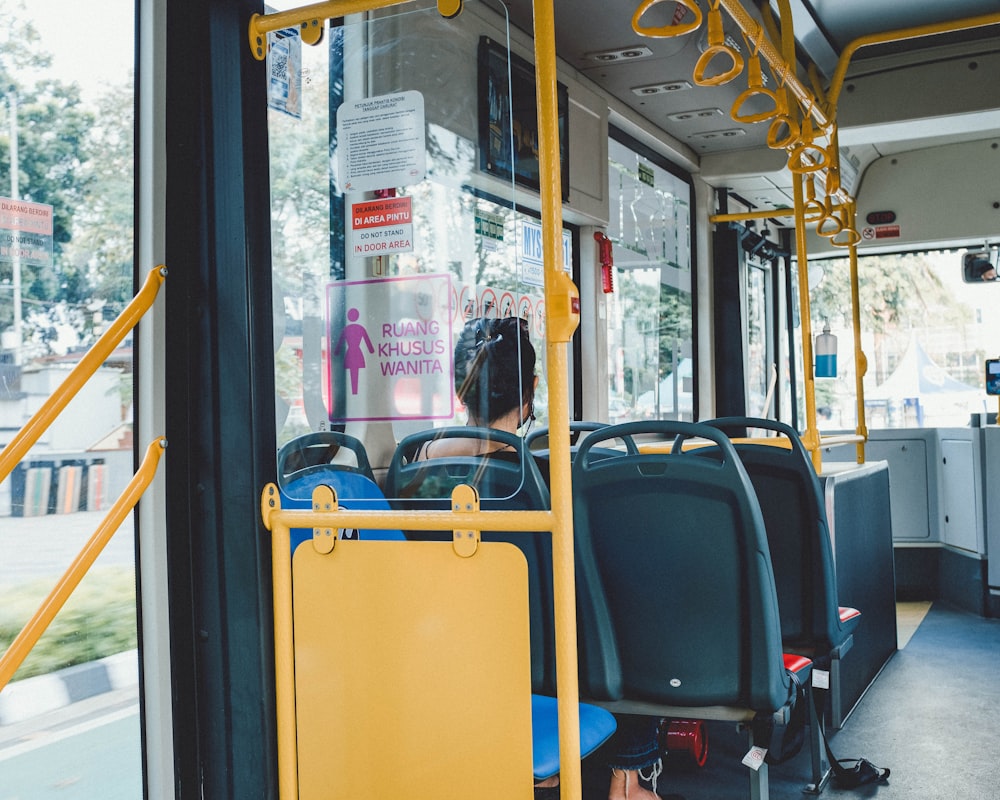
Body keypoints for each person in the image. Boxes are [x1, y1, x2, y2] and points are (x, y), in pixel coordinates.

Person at [416, 316, 681, 800]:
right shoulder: (537, 477)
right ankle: (627, 779)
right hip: (540, 658)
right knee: (625, 605)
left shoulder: (418, 465)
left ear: (460, 389)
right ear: (532, 388)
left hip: (446, 651)